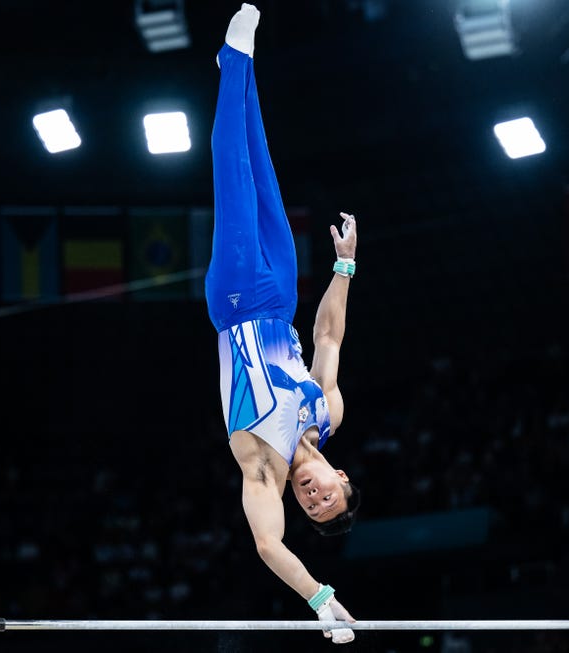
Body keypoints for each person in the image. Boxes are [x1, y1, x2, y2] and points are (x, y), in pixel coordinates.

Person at [205, 3, 359, 645]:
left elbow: (268, 544)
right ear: (340, 476)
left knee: (229, 168)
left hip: (237, 301)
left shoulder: (261, 467)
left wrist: (322, 600)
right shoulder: (326, 414)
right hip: (286, 291)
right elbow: (328, 337)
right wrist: (344, 269)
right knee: (260, 160)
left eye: (312, 506)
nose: (313, 496)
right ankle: (237, 69)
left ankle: (234, 60)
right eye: (327, 495)